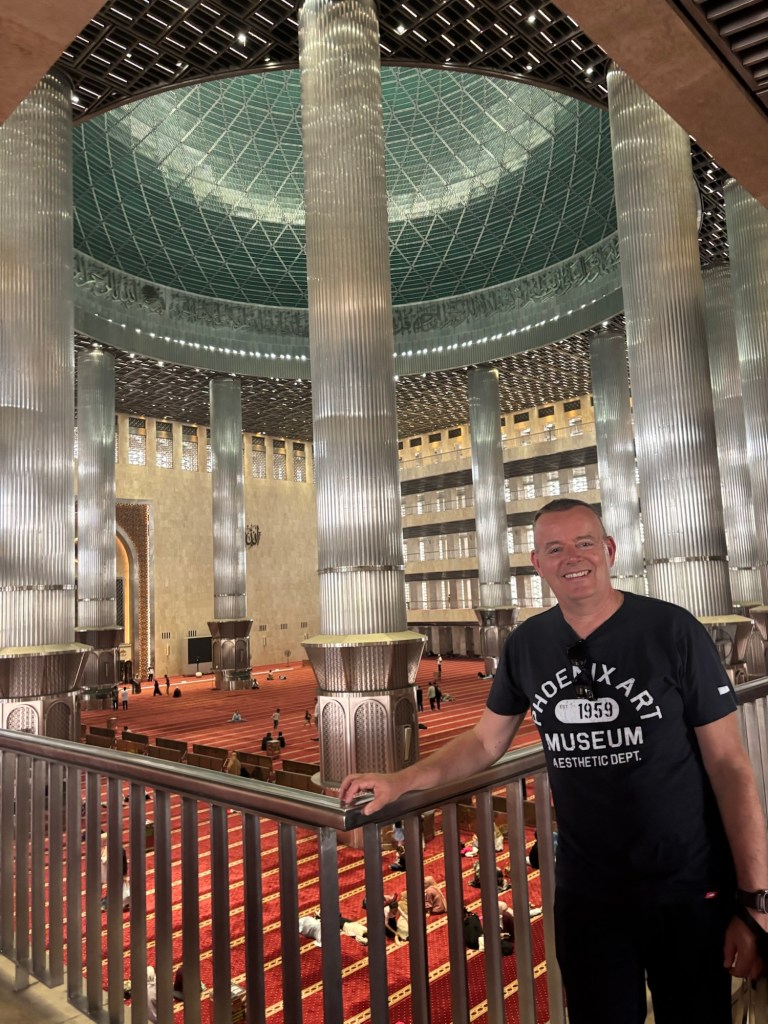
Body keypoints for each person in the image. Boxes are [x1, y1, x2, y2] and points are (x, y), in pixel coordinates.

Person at [340, 498, 768, 1024]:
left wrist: (755, 902)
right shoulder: (528, 644)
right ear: (538, 564)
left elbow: (729, 766)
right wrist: (402, 779)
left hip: (685, 885)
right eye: (556, 548)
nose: (573, 557)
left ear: (609, 550)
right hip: (588, 893)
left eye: (585, 543)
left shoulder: (672, 630)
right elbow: (485, 742)